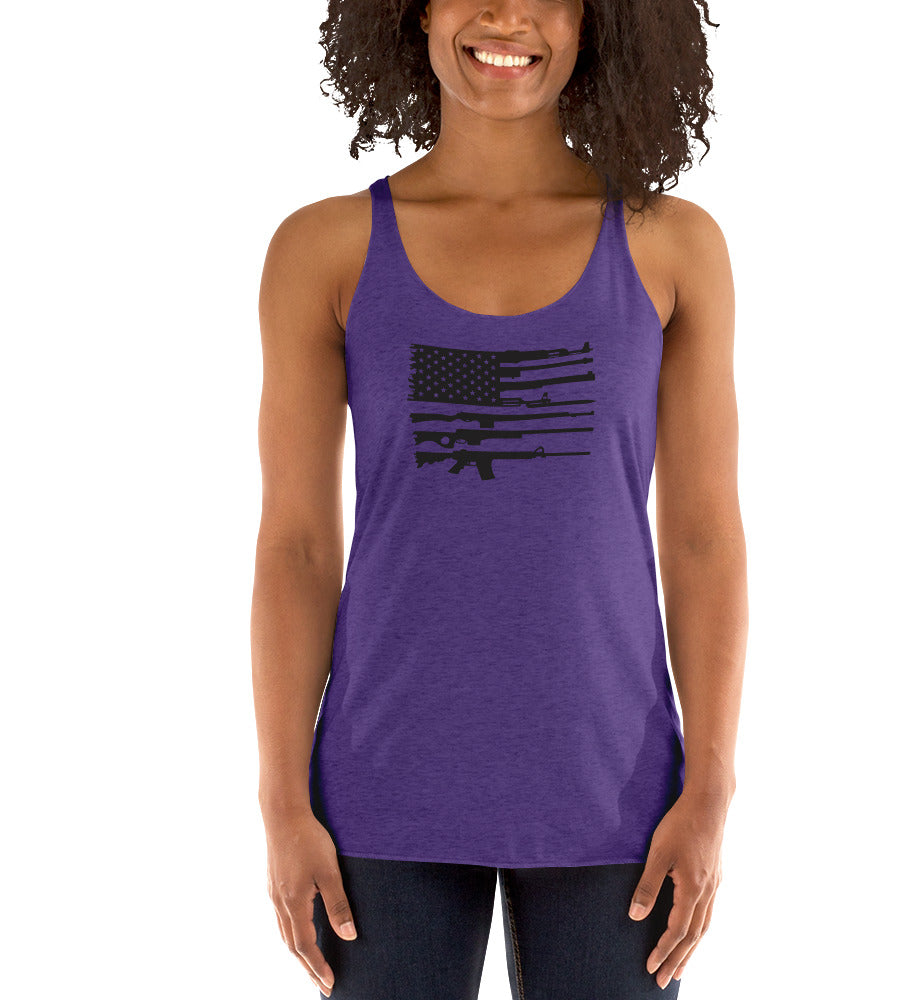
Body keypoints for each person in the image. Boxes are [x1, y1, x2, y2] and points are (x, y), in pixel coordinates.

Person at [250, 1, 747, 997]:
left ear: (598, 19)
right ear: (413, 10)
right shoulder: (325, 249)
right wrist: (281, 804)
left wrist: (709, 789)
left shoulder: (670, 245)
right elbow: (297, 546)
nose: (508, 15)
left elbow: (702, 538)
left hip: (616, 794)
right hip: (383, 788)